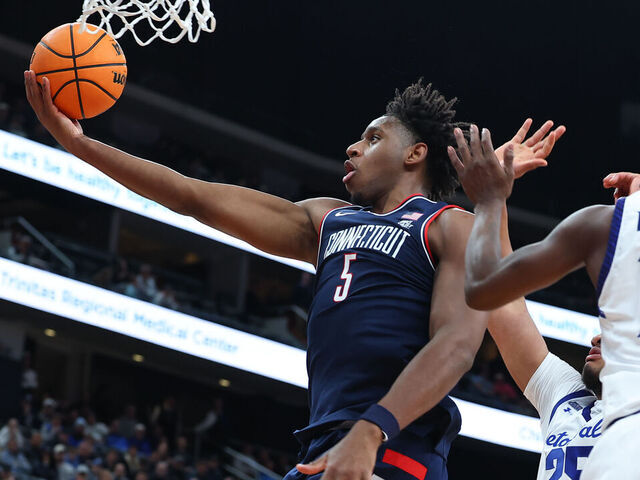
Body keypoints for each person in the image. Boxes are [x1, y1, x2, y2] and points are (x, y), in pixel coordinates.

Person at [25, 71, 563, 479]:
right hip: (326, 441)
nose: (353, 147)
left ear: (415, 154)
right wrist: (78, 145)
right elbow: (194, 197)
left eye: (374, 138)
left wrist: (371, 431)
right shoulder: (326, 219)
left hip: (396, 443)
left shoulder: (450, 226)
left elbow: (455, 346)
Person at [448, 125, 640, 479]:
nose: (596, 338)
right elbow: (504, 308)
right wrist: (494, 195)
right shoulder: (565, 399)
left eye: (613, 331)